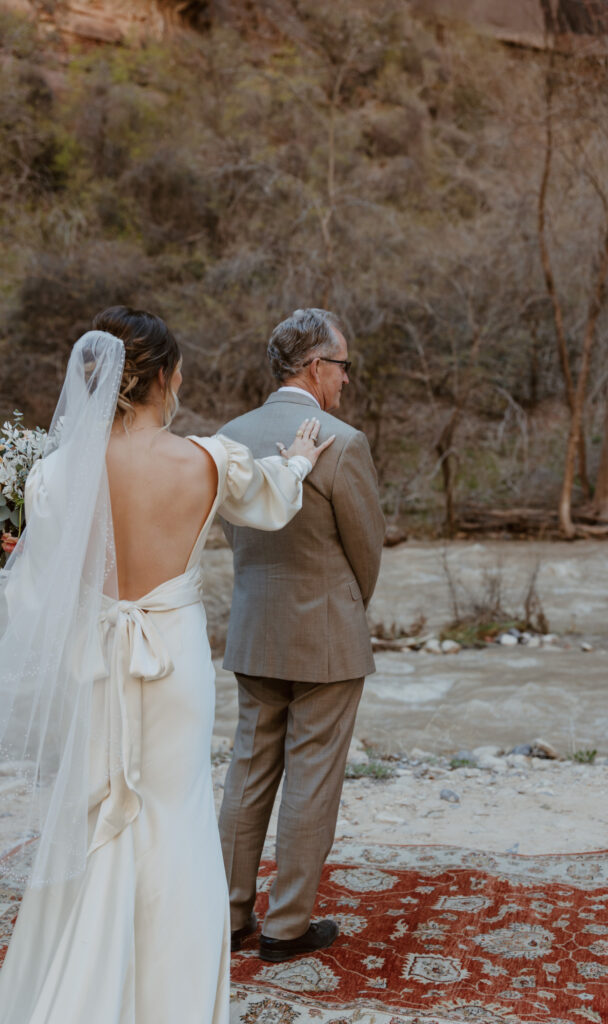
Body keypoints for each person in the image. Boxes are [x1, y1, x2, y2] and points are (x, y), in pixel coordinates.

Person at [0, 306, 333, 1024]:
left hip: (94, 660)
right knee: (176, 819)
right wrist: (301, 460)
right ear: (161, 378)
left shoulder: (55, 474)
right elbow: (274, 500)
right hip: (175, 662)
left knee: (100, 810)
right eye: (179, 369)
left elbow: (36, 605)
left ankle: (83, 986)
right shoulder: (206, 460)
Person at [218, 308, 385, 963]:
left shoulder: (226, 437)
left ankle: (230, 915)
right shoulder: (342, 442)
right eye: (342, 366)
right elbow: (365, 548)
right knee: (311, 778)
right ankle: (287, 927)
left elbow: (235, 533)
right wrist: (347, 607)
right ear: (315, 366)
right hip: (326, 636)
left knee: (247, 770)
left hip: (254, 627)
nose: (345, 380)